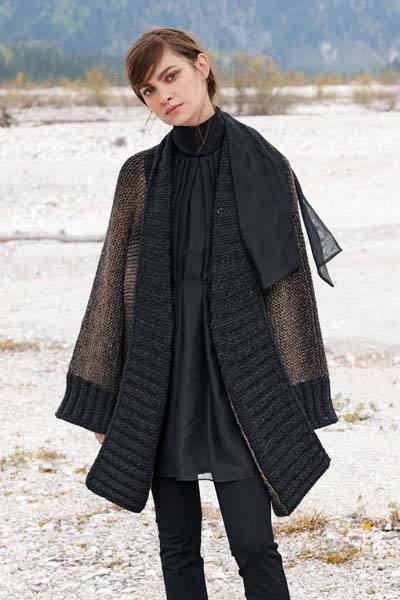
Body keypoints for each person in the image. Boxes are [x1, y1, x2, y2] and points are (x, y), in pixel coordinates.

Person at [55, 25, 342, 600]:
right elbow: (110, 286)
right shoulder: (139, 175)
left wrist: (301, 391)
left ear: (201, 66)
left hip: (242, 381)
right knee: (177, 544)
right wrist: (104, 398)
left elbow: (289, 288)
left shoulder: (264, 164)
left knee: (254, 545)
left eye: (171, 76)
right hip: (160, 380)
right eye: (147, 90)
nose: (163, 95)